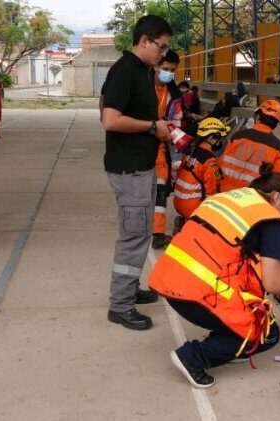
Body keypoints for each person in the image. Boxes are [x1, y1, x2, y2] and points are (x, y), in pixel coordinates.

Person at [149, 166, 280, 388]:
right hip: (196, 294)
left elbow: (236, 253)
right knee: (266, 332)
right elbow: (273, 284)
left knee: (245, 314)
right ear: (276, 197)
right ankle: (193, 357)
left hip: (170, 279)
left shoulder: (224, 200)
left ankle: (231, 343)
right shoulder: (271, 219)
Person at [100, 14, 174, 331]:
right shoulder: (125, 71)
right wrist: (151, 126)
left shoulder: (142, 71)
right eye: (162, 46)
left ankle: (129, 289)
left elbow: (104, 101)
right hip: (129, 169)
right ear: (144, 41)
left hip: (139, 164)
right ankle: (120, 305)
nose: (164, 54)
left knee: (141, 232)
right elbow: (109, 118)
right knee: (133, 236)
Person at [217, 99, 280, 191]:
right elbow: (279, 183)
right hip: (252, 198)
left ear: (257, 116)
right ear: (276, 123)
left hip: (225, 193)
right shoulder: (279, 148)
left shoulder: (238, 136)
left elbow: (220, 165)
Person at [151, 50, 184, 250]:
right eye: (165, 69)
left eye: (172, 70)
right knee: (144, 191)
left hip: (161, 149)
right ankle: (144, 228)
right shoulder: (143, 87)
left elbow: (177, 123)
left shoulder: (174, 95)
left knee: (161, 192)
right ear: (156, 66)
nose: (169, 73)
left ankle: (157, 233)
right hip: (142, 147)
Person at [172, 117, 228, 222]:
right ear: (211, 137)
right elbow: (212, 190)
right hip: (192, 207)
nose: (220, 142)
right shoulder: (209, 160)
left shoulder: (190, 152)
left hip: (178, 202)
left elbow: (179, 174)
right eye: (219, 139)